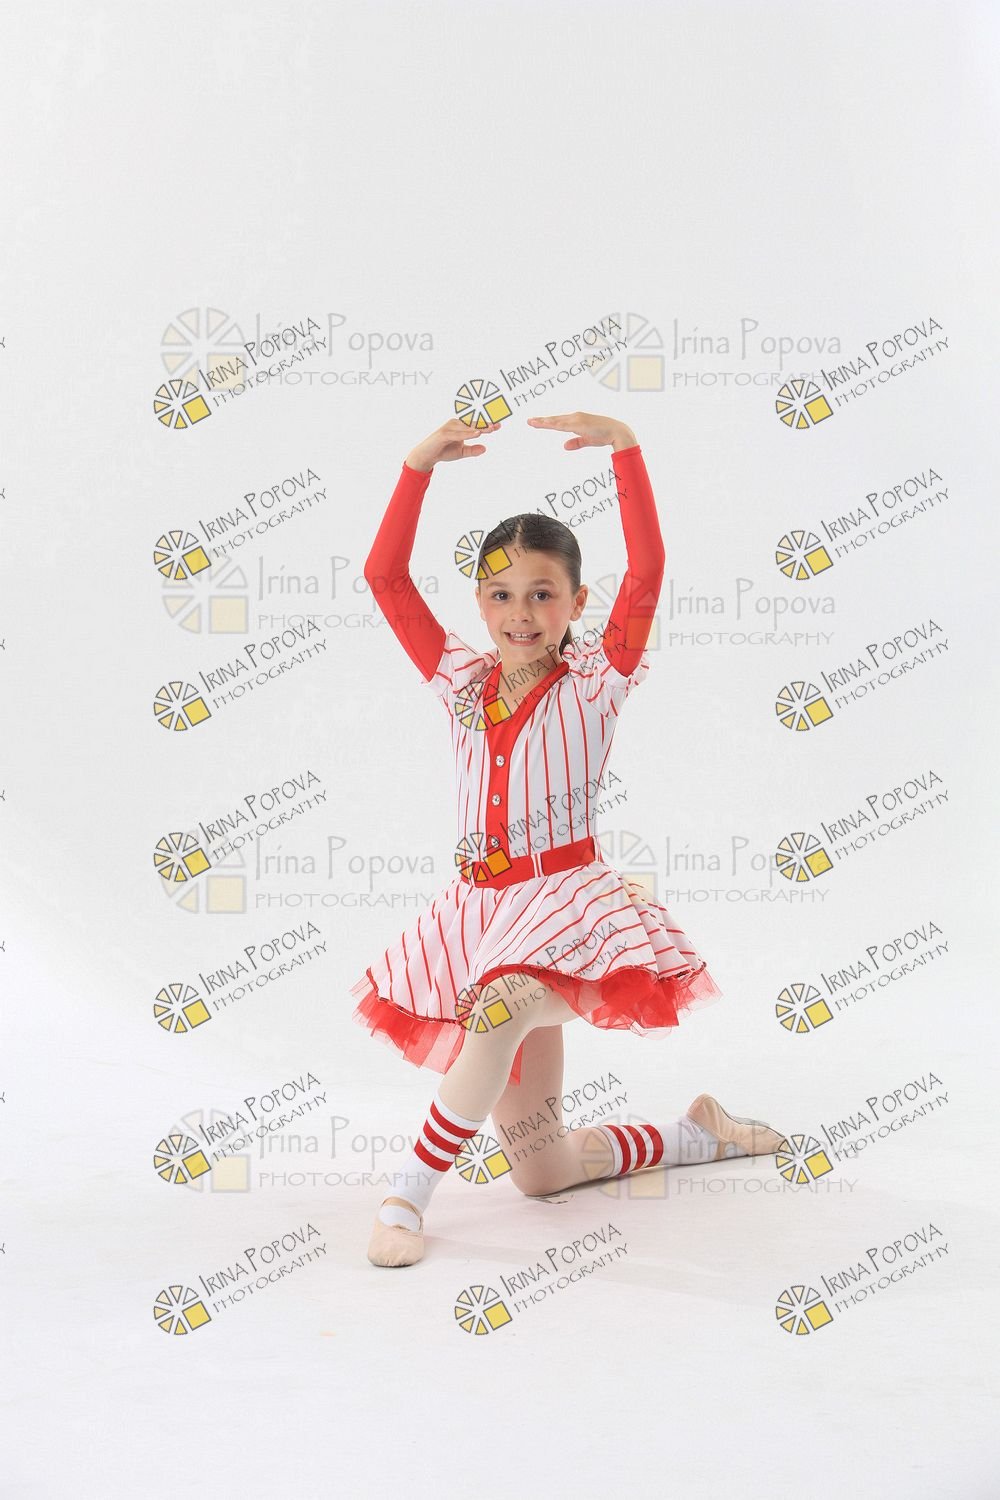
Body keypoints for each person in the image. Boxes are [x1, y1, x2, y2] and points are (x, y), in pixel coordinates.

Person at [350, 411, 784, 1268]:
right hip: (480, 913)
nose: (521, 613)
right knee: (541, 1173)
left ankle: (405, 1198)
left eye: (543, 593)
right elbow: (384, 576)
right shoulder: (460, 681)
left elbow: (648, 571)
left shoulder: (596, 682)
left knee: (498, 1008)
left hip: (564, 906)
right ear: (480, 602)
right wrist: (416, 466)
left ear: (577, 603)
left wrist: (627, 449)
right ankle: (697, 1134)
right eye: (501, 594)